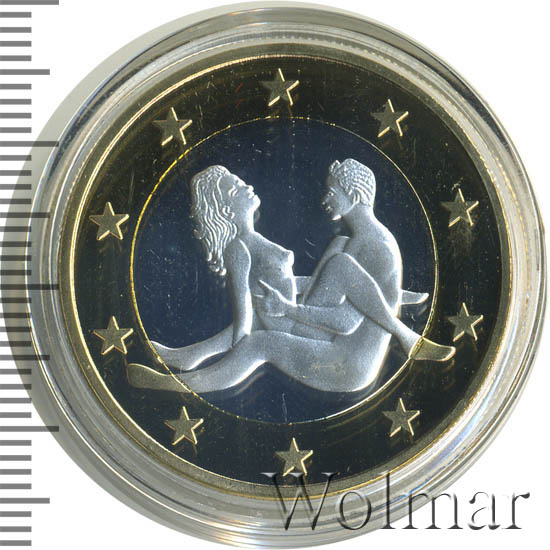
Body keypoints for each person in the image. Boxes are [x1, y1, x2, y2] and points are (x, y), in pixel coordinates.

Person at [130, 160, 454, 394]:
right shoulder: (356, 242)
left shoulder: (365, 246)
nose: (325, 198)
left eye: (332, 191)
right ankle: (185, 366)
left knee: (263, 332)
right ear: (226, 209)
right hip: (328, 340)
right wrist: (394, 296)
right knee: (259, 330)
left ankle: (184, 368)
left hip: (345, 363)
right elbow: (250, 310)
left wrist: (287, 308)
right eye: (235, 187)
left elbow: (342, 319)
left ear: (353, 194)